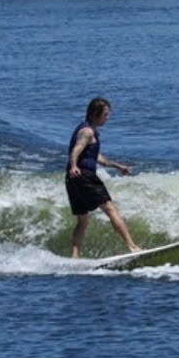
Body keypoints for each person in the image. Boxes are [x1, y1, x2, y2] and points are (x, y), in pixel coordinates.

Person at [65, 97, 140, 257]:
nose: (108, 117)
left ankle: (74, 257)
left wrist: (118, 166)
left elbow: (96, 156)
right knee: (111, 209)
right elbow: (76, 150)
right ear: (94, 114)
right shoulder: (87, 132)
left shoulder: (86, 130)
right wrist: (74, 165)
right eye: (105, 114)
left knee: (83, 220)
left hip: (72, 179)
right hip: (84, 175)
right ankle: (132, 246)